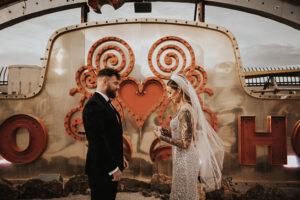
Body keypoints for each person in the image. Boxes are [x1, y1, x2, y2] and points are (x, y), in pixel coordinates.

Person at [154, 73, 224, 200]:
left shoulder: (186, 110)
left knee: (185, 195)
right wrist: (164, 131)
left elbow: (185, 143)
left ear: (179, 90)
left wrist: (161, 138)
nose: (169, 97)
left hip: (185, 159)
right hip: (180, 158)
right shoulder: (183, 108)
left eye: (170, 92)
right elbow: (182, 135)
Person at [83, 68, 128, 200]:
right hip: (101, 170)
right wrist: (113, 168)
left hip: (108, 167)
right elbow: (98, 142)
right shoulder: (94, 106)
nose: (118, 87)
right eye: (115, 83)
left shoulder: (107, 104)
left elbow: (111, 137)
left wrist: (121, 156)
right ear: (104, 81)